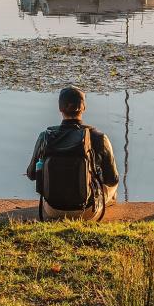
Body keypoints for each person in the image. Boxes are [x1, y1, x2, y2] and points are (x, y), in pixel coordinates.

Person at [27, 86, 119, 221]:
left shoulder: (45, 137)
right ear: (84, 108)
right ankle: (103, 202)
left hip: (52, 209)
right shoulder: (99, 137)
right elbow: (112, 179)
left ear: (60, 109)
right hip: (86, 211)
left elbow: (31, 175)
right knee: (113, 186)